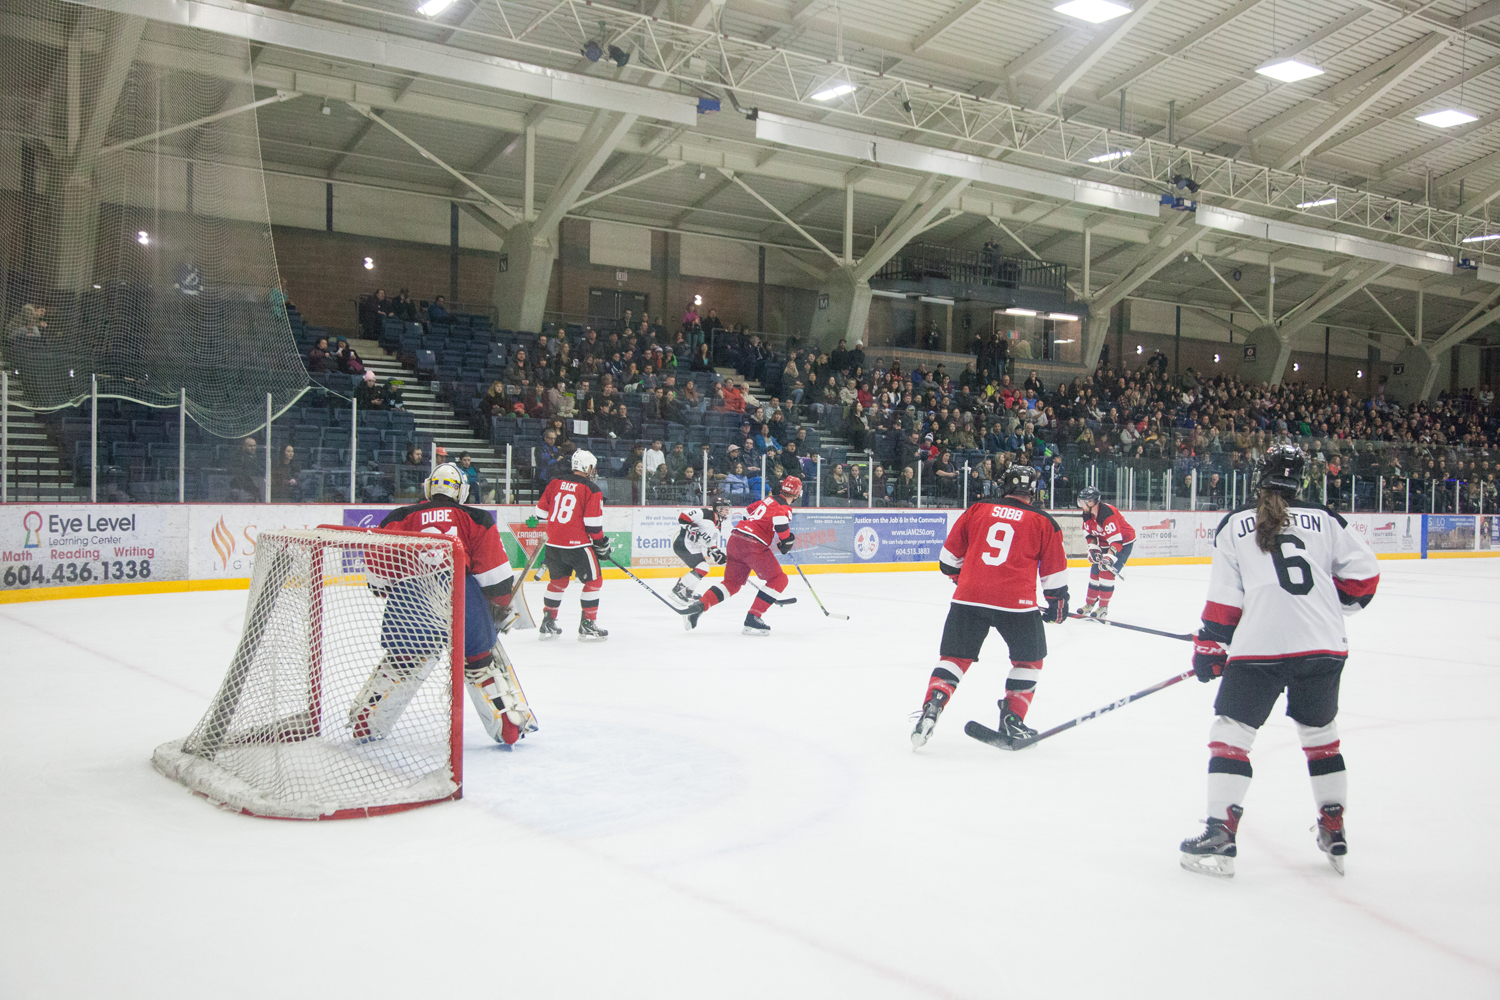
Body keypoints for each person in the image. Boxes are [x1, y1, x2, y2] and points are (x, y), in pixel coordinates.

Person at [1179, 445, 1379, 879]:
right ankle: (1334, 827)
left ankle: (1220, 831)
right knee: (1321, 736)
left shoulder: (1236, 524)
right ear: (1300, 479)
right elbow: (1364, 576)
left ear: (1259, 477)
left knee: (1231, 734)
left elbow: (1225, 597)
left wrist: (1211, 645)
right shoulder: (1326, 519)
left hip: (1260, 648)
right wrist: (1335, 604)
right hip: (1324, 644)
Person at [353, 463, 533, 747]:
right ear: (462, 492)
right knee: (479, 664)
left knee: (402, 662)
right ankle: (509, 727)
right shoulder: (477, 517)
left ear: (428, 487)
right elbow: (497, 580)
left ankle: (366, 722)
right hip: (462, 594)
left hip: (410, 595)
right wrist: (498, 607)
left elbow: (377, 578)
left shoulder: (397, 517)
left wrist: (394, 592)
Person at [910, 465, 1069, 749]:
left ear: (1003, 484)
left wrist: (964, 579)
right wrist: (1057, 603)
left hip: (968, 598)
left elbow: (947, 560)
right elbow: (1054, 575)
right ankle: (1013, 718)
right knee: (1028, 661)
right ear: (1032, 491)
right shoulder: (1045, 522)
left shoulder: (977, 509)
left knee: (955, 658)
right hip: (1017, 604)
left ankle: (933, 704)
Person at [683, 476, 802, 636]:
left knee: (732, 583)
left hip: (736, 538)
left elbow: (747, 512)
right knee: (779, 579)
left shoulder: (767, 500)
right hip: (753, 544)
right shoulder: (784, 506)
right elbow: (780, 521)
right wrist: (786, 539)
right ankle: (753, 617)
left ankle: (698, 607)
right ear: (796, 494)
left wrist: (756, 528)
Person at [532, 449, 610, 641]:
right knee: (594, 582)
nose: (594, 471)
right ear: (586, 467)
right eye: (593, 467)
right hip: (578, 545)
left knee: (558, 582)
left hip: (553, 544)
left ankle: (548, 621)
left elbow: (539, 514)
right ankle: (588, 624)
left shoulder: (554, 482)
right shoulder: (592, 489)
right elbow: (593, 524)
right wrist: (600, 543)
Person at [1076, 485, 1137, 620]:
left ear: (1092, 502)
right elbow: (1089, 535)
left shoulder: (1107, 514)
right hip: (1105, 541)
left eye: (1083, 501)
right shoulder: (1086, 513)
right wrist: (1093, 549)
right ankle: (1089, 604)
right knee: (1094, 572)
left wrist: (1109, 557)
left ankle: (1103, 607)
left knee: (1106, 572)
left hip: (1124, 542)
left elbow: (1116, 542)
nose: (1081, 504)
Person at [671, 493, 731, 603]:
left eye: (728, 509)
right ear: (717, 509)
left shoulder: (718, 525)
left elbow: (709, 542)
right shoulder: (704, 513)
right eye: (724, 509)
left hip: (694, 548)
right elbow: (683, 516)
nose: (727, 512)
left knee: (702, 568)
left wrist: (715, 552)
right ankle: (679, 588)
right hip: (683, 545)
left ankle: (688, 591)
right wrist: (690, 526)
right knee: (703, 567)